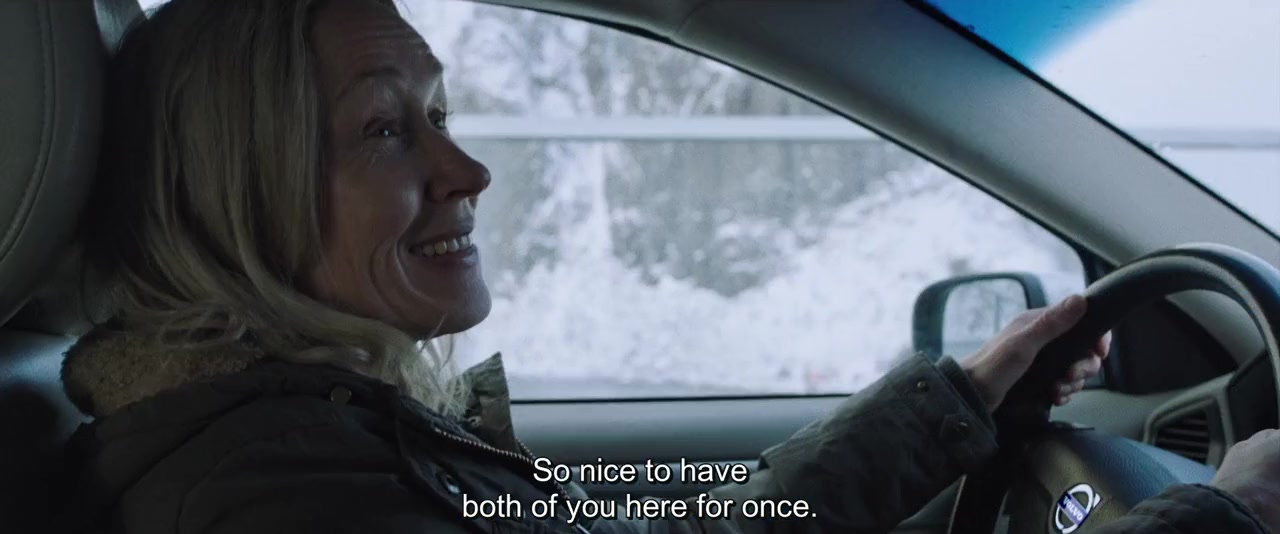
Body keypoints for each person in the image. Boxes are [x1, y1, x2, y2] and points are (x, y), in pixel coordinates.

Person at [56, 0, 1278, 532]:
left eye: (441, 114)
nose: (466, 170)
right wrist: (1217, 514)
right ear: (238, 194)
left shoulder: (331, 433)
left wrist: (957, 398)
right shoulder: (273, 498)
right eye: (386, 128)